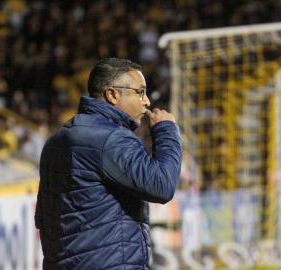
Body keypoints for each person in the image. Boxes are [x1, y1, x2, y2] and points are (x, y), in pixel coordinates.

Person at [35, 58, 182, 269]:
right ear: (112, 94)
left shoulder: (55, 140)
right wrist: (166, 130)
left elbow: (43, 216)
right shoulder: (111, 138)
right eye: (140, 92)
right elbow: (161, 186)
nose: (147, 101)